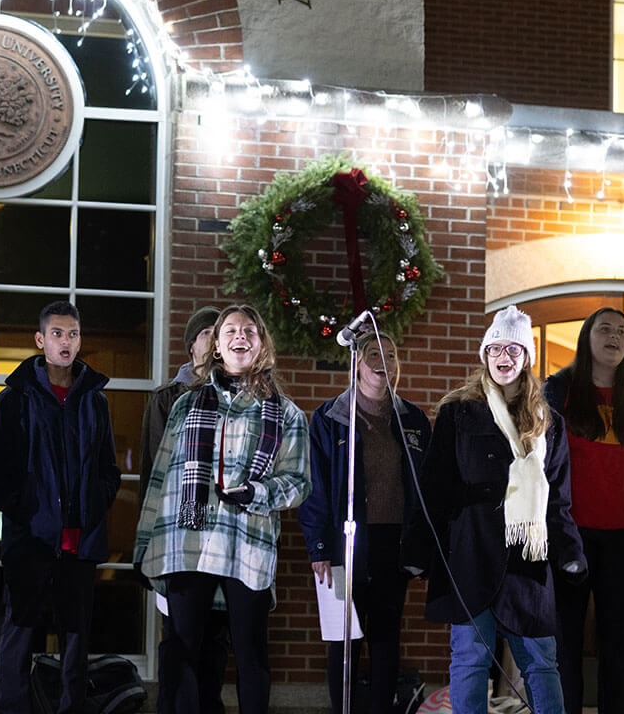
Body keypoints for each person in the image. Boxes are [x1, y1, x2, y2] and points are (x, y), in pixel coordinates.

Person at [403, 305, 586, 714]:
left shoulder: (548, 422)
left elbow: (558, 498)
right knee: (470, 658)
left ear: (527, 358)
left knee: (541, 662)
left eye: (514, 349)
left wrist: (570, 552)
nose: (505, 357)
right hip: (471, 551)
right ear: (485, 354)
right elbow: (434, 488)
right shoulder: (457, 413)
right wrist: (417, 549)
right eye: (496, 348)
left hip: (527, 558)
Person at [134, 303, 311, 714]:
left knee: (251, 655)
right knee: (181, 653)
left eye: (249, 330)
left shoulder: (287, 414)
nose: (239, 336)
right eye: (230, 330)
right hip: (187, 543)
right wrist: (144, 545)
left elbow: (299, 483)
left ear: (262, 344)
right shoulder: (185, 405)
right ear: (216, 345)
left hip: (246, 544)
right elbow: (160, 478)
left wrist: (257, 492)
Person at [0, 300, 122, 714]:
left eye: (73, 334)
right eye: (57, 333)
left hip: (81, 539)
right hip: (31, 539)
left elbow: (108, 468)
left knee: (75, 638)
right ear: (40, 340)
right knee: (20, 630)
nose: (66, 341)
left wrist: (96, 503)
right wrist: (21, 509)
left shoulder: (95, 401)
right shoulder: (14, 400)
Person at [298, 330, 431, 714]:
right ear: (356, 363)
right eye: (374, 353)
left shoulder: (414, 420)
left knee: (386, 638)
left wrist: (422, 546)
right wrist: (319, 547)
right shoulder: (329, 418)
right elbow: (313, 487)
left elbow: (426, 487)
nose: (383, 361)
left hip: (394, 543)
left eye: (390, 354)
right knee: (345, 640)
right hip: (345, 544)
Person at [543, 308, 624, 714]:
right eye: (605, 329)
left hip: (623, 539)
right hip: (567, 536)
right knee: (564, 643)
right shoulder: (557, 391)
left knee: (617, 643)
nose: (615, 337)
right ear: (586, 338)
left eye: (622, 331)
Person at [137, 305, 229, 714]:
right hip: (178, 538)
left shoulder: (236, 398)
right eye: (207, 332)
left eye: (219, 332)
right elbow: (156, 472)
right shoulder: (167, 398)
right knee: (180, 638)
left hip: (222, 537)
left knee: (216, 637)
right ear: (192, 344)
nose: (214, 339)